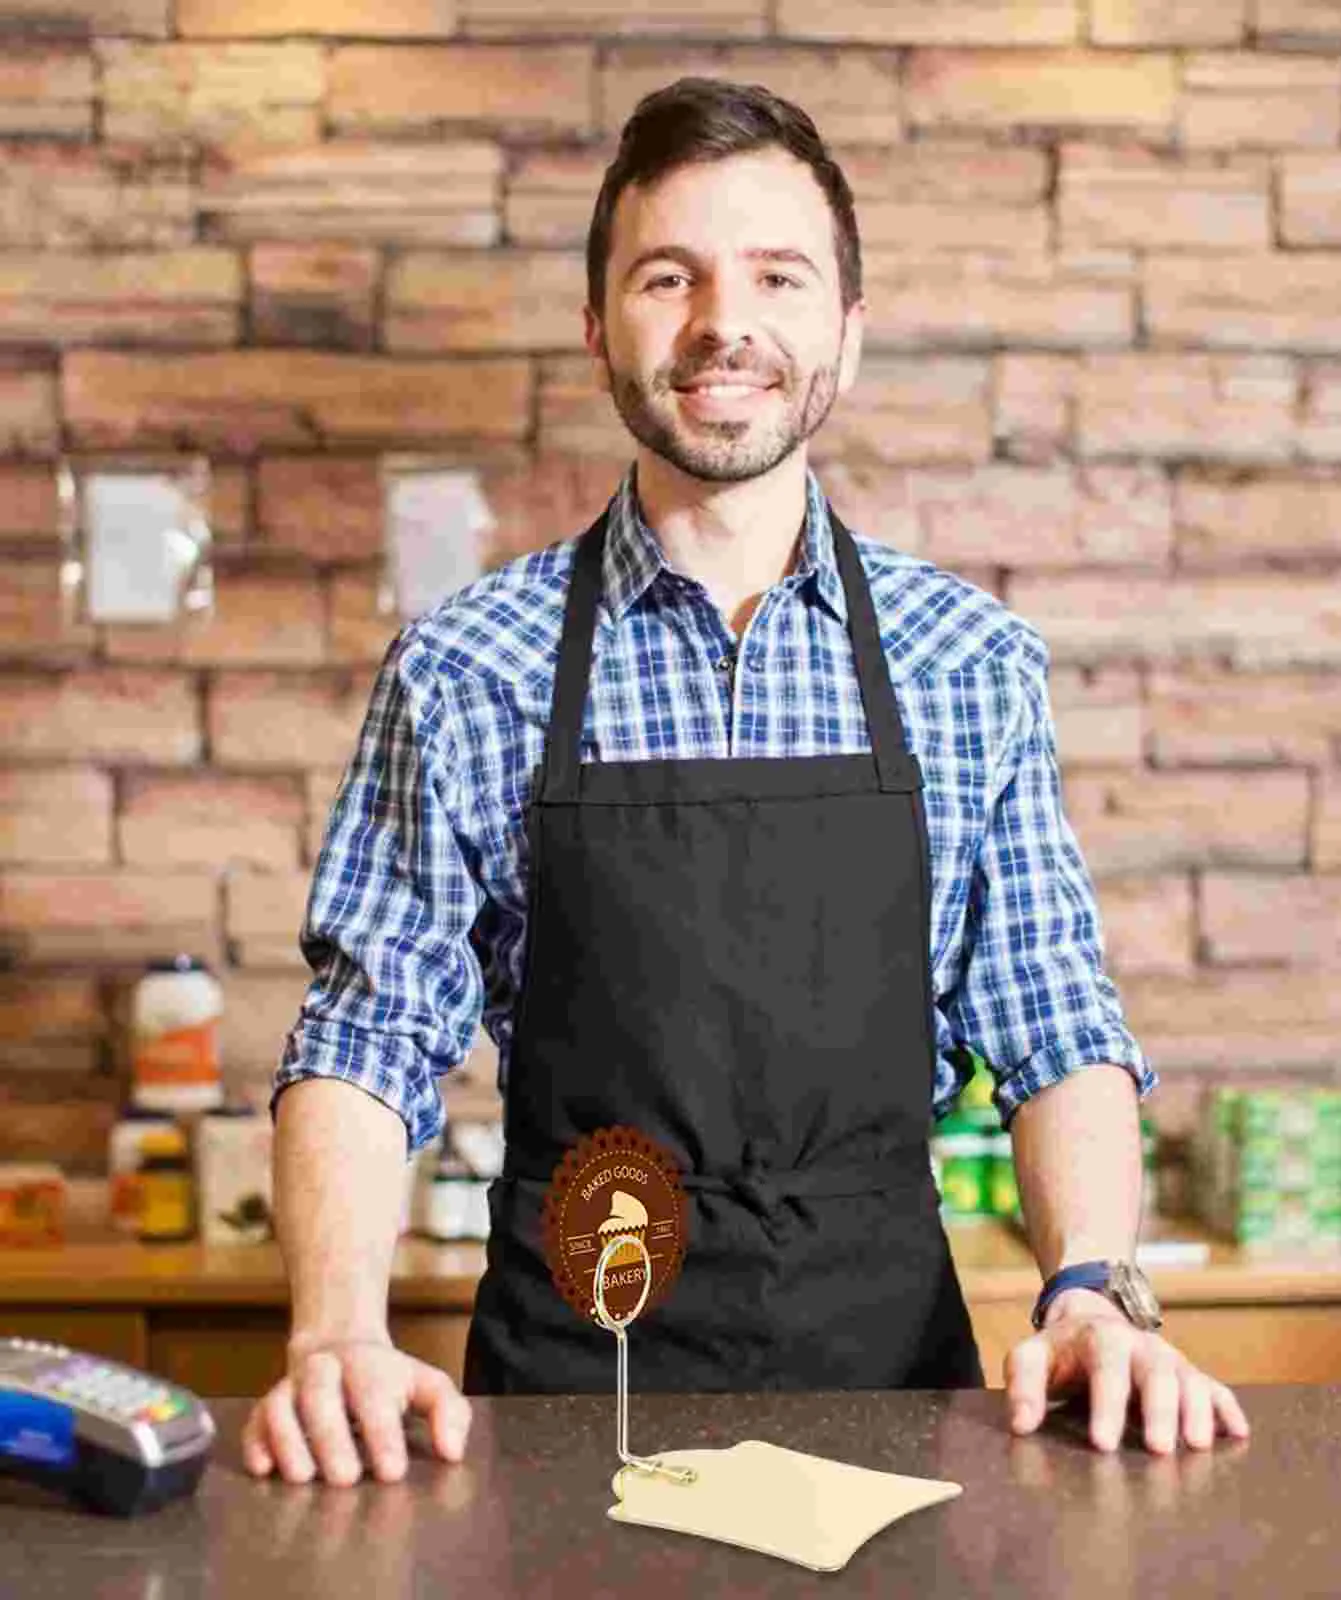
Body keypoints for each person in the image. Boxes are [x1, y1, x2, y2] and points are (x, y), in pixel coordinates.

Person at [242, 77, 1249, 1489]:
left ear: (846, 328)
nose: (726, 322)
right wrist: (335, 1331)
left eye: (778, 274)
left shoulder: (969, 661)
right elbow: (366, 1038)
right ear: (600, 328)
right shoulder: (467, 668)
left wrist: (1094, 1284)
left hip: (898, 1413)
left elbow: (1054, 1018)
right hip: (567, 1417)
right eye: (672, 276)